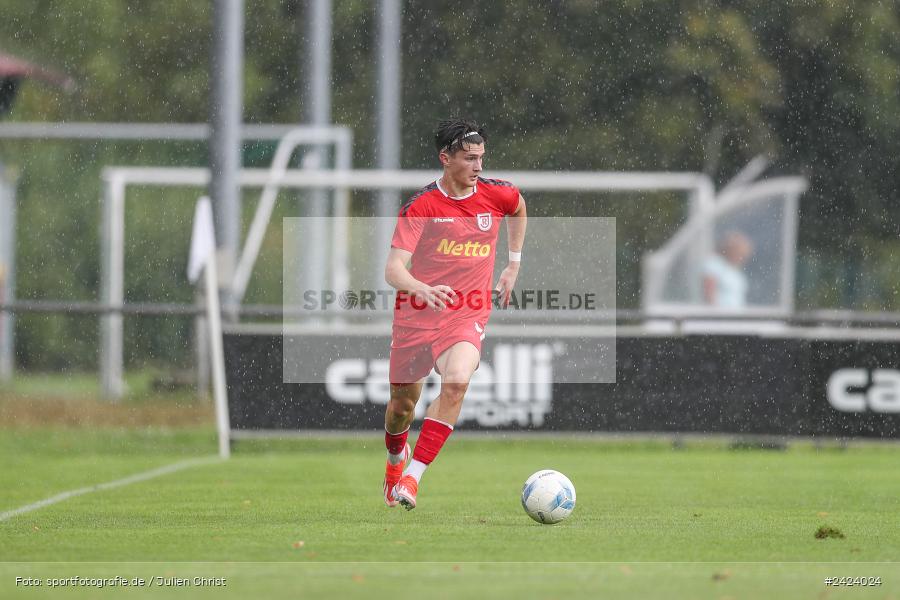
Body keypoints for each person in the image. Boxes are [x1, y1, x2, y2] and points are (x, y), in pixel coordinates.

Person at [381, 118, 527, 510]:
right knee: (401, 408)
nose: (478, 166)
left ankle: (412, 479)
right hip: (416, 315)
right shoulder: (421, 207)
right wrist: (422, 289)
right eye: (469, 159)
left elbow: (518, 207)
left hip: (466, 313)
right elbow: (393, 270)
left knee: (457, 381)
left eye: (481, 157)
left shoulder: (497, 194)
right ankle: (395, 460)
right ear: (445, 159)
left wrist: (513, 263)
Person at [702, 230, 754, 308]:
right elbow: (709, 293)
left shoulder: (735, 270)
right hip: (720, 313)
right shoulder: (714, 263)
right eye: (739, 254)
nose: (741, 259)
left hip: (736, 313)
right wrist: (715, 311)